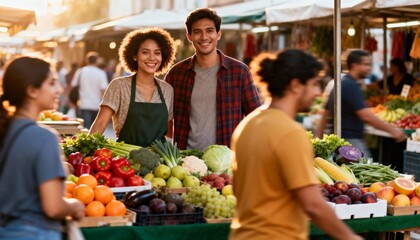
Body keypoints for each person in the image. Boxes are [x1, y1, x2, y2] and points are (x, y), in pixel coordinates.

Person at [229, 49, 362, 240]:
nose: (318, 92)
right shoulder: (290, 132)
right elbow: (313, 205)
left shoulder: (247, 124)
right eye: (315, 84)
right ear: (296, 85)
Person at [0, 57, 85, 239]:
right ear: (31, 90)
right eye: (52, 83)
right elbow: (53, 207)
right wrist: (75, 207)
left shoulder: (5, 130)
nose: (59, 89)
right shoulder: (44, 137)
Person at [164, 8, 261, 151]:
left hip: (226, 161)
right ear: (189, 36)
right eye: (197, 32)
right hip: (185, 162)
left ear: (218, 34)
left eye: (209, 30)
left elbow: (255, 117)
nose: (204, 37)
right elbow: (165, 119)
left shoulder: (239, 71)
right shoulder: (176, 74)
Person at [89, 28, 176, 147]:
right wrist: (87, 150)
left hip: (160, 161)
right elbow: (101, 123)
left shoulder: (167, 90)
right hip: (125, 160)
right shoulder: (119, 86)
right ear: (135, 56)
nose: (152, 58)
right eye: (145, 52)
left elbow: (170, 130)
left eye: (157, 53)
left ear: (163, 57)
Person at [316, 50, 406, 158]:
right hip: (351, 143)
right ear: (355, 65)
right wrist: (393, 131)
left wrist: (319, 139)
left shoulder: (340, 84)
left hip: (340, 142)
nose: (369, 68)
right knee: (367, 169)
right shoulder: (351, 86)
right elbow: (366, 116)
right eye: (366, 64)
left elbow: (325, 115)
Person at [70, 51, 108, 129]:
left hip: (83, 104)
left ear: (87, 60)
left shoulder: (81, 71)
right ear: (97, 60)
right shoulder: (101, 73)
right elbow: (104, 90)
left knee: (85, 129)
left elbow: (73, 85)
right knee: (95, 129)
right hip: (97, 104)